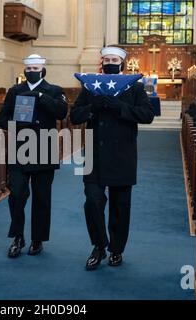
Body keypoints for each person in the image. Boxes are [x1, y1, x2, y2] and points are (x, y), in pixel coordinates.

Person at [70, 46, 155, 271]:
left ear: (122, 63)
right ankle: (99, 246)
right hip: (94, 156)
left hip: (122, 156)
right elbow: (75, 115)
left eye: (114, 59)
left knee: (120, 206)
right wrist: (92, 107)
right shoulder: (90, 86)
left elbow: (147, 116)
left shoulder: (135, 88)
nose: (109, 62)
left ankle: (117, 249)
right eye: (106, 59)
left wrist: (120, 107)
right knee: (93, 202)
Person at [0, 54, 68, 258]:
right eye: (29, 69)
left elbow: (61, 113)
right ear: (24, 70)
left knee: (42, 199)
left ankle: (38, 240)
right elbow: (2, 118)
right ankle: (17, 237)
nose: (32, 72)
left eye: (36, 68)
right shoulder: (15, 91)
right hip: (20, 149)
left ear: (43, 69)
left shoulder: (54, 90)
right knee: (17, 196)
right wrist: (17, 124)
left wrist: (40, 97)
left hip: (44, 150)